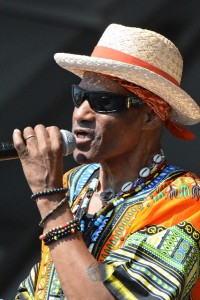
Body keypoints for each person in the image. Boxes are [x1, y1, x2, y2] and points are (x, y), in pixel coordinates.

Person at [14, 24, 200, 300]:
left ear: (149, 116)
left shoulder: (185, 198)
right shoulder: (75, 183)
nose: (81, 113)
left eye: (104, 101)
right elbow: (45, 285)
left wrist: (51, 199)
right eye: (80, 96)